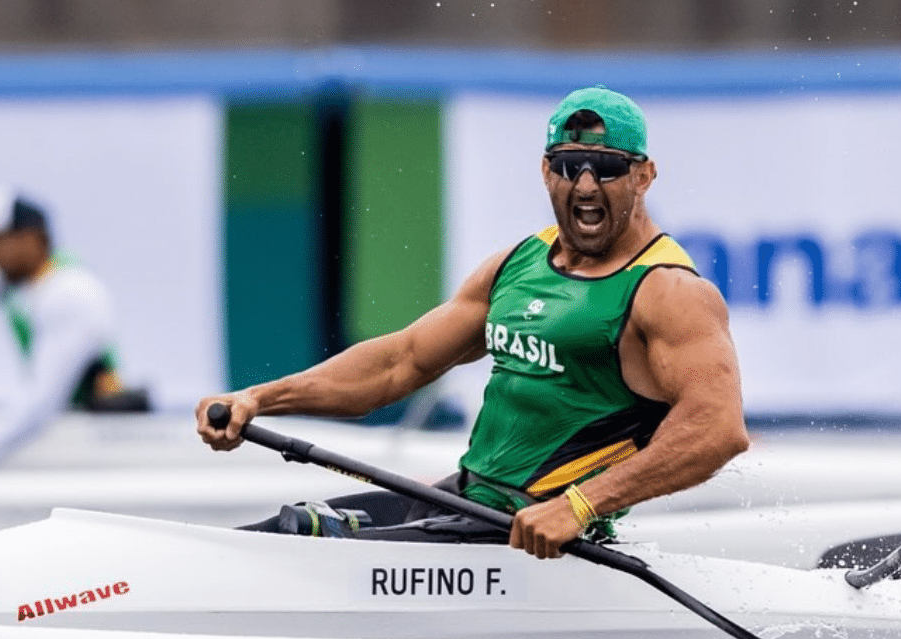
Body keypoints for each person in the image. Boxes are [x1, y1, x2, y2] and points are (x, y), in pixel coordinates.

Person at [196, 86, 749, 558]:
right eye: (567, 165)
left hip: (536, 539)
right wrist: (258, 398)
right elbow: (399, 363)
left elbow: (717, 429)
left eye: (606, 168)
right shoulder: (519, 263)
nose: (584, 186)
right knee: (288, 531)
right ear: (544, 170)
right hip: (464, 502)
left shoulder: (669, 291)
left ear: (644, 175)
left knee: (300, 546)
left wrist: (580, 506)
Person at [0, 186, 149, 470]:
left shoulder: (70, 294)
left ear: (32, 239)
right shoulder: (24, 280)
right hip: (69, 431)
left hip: (94, 445)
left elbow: (42, 398)